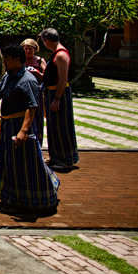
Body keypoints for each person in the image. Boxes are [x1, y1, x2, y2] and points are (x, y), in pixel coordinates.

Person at [0, 43, 59, 213]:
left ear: (17, 60)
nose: (4, 62)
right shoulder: (8, 77)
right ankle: (10, 198)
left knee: (24, 165)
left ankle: (26, 202)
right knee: (8, 163)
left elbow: (32, 107)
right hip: (7, 126)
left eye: (7, 59)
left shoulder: (27, 80)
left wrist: (23, 131)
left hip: (19, 127)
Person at [40, 28, 79, 171]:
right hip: (52, 92)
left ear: (47, 41)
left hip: (58, 94)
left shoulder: (61, 55)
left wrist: (57, 98)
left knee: (62, 126)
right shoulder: (56, 54)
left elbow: (63, 79)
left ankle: (65, 159)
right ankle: (56, 157)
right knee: (54, 126)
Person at [21, 38, 46, 139]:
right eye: (25, 49)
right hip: (22, 93)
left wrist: (37, 73)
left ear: (35, 49)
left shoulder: (40, 61)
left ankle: (37, 142)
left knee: (37, 118)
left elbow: (48, 77)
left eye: (30, 49)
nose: (28, 51)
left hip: (37, 93)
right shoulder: (20, 60)